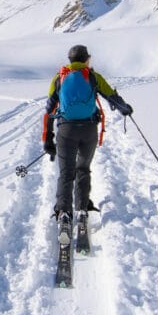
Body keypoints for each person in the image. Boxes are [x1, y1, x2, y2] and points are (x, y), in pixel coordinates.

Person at [43, 44, 133, 238]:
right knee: (83, 168)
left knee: (66, 173)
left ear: (70, 60)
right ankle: (82, 210)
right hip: (89, 131)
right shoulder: (93, 76)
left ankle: (64, 214)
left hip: (66, 131)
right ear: (86, 59)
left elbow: (49, 110)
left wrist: (48, 138)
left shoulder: (59, 78)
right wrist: (125, 109)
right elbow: (112, 96)